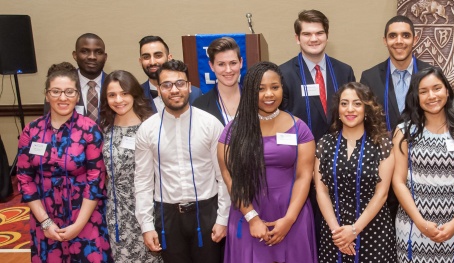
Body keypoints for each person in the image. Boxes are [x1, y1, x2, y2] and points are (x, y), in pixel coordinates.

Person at [218, 61, 317, 262]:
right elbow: (230, 177)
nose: (269, 94)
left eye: (275, 87)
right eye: (260, 89)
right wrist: (252, 217)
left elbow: (304, 176)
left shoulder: (300, 128)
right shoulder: (233, 130)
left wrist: (289, 220)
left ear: (283, 88)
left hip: (292, 213)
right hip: (247, 214)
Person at [17, 62, 112, 262]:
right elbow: (25, 179)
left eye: (69, 92)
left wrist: (78, 225)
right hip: (45, 215)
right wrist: (45, 222)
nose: (62, 98)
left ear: (77, 95)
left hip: (84, 215)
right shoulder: (31, 131)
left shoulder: (90, 130)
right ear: (46, 94)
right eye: (56, 91)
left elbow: (96, 179)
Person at [135, 60, 228, 263]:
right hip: (168, 216)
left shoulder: (210, 124)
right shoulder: (147, 129)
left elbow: (224, 177)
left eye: (179, 83)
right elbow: (142, 182)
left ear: (188, 86)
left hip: (206, 213)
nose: (174, 90)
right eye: (167, 85)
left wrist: (223, 218)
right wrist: (147, 225)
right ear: (159, 89)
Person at [392, 67, 454, 263]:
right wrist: (421, 223)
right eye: (423, 91)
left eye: (437, 88)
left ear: (447, 91)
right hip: (413, 226)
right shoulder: (404, 131)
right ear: (416, 96)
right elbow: (398, 182)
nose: (431, 96)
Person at [315, 82, 396, 262]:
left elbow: (382, 194)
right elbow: (321, 191)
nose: (350, 109)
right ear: (338, 109)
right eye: (344, 103)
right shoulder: (325, 144)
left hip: (374, 230)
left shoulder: (382, 144)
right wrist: (338, 233)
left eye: (357, 103)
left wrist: (354, 230)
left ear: (367, 109)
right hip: (334, 232)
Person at [99, 70, 161, 262]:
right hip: (116, 211)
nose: (119, 99)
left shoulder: (151, 125)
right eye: (112, 95)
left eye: (124, 93)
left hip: (147, 208)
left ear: (134, 93)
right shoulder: (105, 127)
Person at [280, 9, 356, 141]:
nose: (314, 39)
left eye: (319, 33)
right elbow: (281, 120)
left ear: (327, 36)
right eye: (307, 34)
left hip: (339, 150)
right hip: (300, 151)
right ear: (297, 38)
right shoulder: (283, 74)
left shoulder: (345, 71)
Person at [360, 15, 431, 133]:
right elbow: (365, 120)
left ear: (415, 40)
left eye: (405, 35)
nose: (399, 41)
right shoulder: (370, 78)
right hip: (383, 148)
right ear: (385, 41)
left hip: (423, 147)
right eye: (393, 36)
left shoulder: (430, 74)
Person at [44, 33, 108, 120]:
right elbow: (49, 122)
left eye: (98, 52)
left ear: (105, 57)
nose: (92, 57)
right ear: (75, 55)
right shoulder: (60, 86)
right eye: (84, 51)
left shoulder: (114, 84)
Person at [138, 35, 202, 112]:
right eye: (146, 57)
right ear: (140, 61)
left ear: (169, 58)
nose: (152, 62)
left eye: (158, 56)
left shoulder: (195, 93)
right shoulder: (135, 95)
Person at [193, 37, 242, 126]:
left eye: (233, 63)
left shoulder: (256, 99)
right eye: (221, 64)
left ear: (241, 62)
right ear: (211, 66)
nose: (228, 70)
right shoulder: (200, 105)